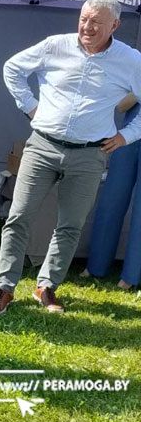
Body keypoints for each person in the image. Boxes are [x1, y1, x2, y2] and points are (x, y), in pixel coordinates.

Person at [0, 0, 141, 315]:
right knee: (19, 217)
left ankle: (47, 286)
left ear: (115, 25)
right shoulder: (56, 45)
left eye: (96, 21)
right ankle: (5, 287)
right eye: (84, 19)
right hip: (42, 146)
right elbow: (12, 68)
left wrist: (127, 135)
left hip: (89, 155)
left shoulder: (130, 60)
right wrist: (30, 106)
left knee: (70, 225)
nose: (87, 26)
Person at [82, 95, 141, 290]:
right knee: (111, 199)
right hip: (129, 132)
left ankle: (131, 275)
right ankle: (96, 265)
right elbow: (121, 106)